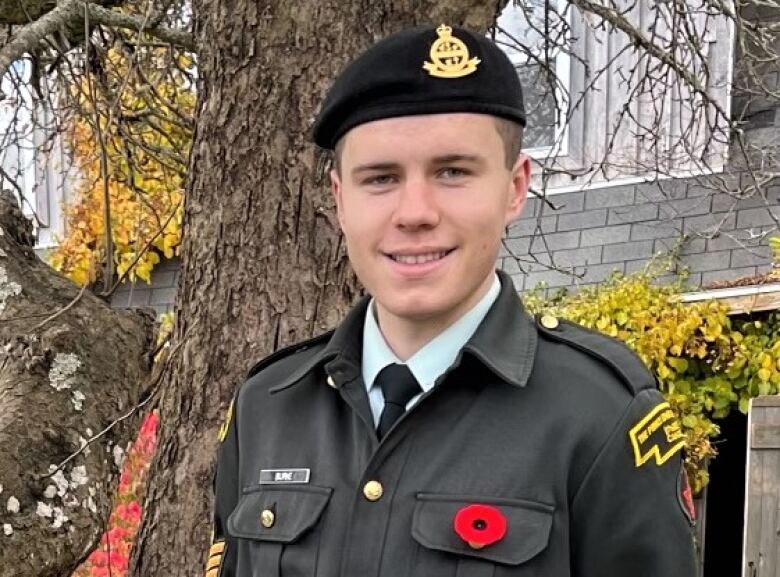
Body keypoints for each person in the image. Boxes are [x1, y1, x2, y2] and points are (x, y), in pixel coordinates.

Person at [204, 24, 698, 577]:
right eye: (381, 178)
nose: (415, 212)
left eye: (452, 172)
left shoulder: (601, 416)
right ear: (340, 200)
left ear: (515, 188)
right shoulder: (268, 406)